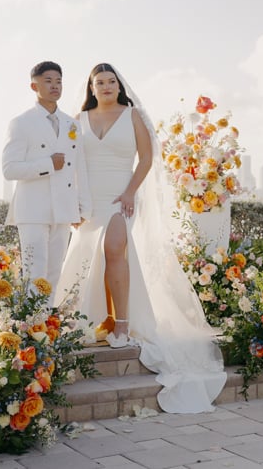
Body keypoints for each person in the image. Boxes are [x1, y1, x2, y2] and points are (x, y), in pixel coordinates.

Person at [54, 63, 226, 413]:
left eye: (111, 81)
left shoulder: (132, 115)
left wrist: (131, 192)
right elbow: (71, 164)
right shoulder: (77, 119)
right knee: (89, 257)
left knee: (114, 247)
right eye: (99, 82)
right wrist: (75, 204)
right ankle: (90, 321)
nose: (106, 86)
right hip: (90, 200)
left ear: (119, 85)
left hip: (121, 196)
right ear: (91, 87)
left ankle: (123, 326)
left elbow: (147, 159)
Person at [2, 61, 90, 306]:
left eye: (58, 81)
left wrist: (83, 207)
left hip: (63, 209)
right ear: (34, 85)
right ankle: (31, 328)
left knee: (54, 272)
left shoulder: (72, 124)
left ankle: (47, 330)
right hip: (33, 210)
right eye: (48, 81)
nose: (55, 86)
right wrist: (48, 164)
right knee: (35, 272)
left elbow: (79, 167)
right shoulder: (21, 122)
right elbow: (9, 169)